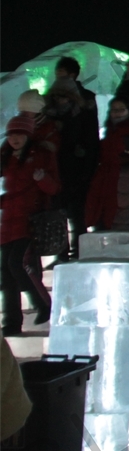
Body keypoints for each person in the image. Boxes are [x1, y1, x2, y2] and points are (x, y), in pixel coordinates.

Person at [1, 116, 60, 334]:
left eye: (19, 134)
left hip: (30, 221)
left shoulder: (41, 156)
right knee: (6, 272)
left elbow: (54, 188)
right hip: (8, 220)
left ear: (28, 135)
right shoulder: (5, 157)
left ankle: (44, 304)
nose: (15, 139)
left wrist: (41, 179)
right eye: (11, 135)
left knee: (18, 264)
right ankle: (11, 323)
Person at [44, 72, 98, 259]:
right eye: (57, 96)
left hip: (77, 171)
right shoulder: (47, 117)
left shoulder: (82, 115)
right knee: (59, 214)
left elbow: (89, 142)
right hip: (56, 171)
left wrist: (86, 170)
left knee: (77, 215)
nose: (60, 100)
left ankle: (80, 251)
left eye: (64, 95)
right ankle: (61, 252)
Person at [84, 99, 129, 232]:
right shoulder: (112, 132)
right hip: (107, 181)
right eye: (114, 110)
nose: (117, 113)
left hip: (122, 183)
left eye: (121, 109)